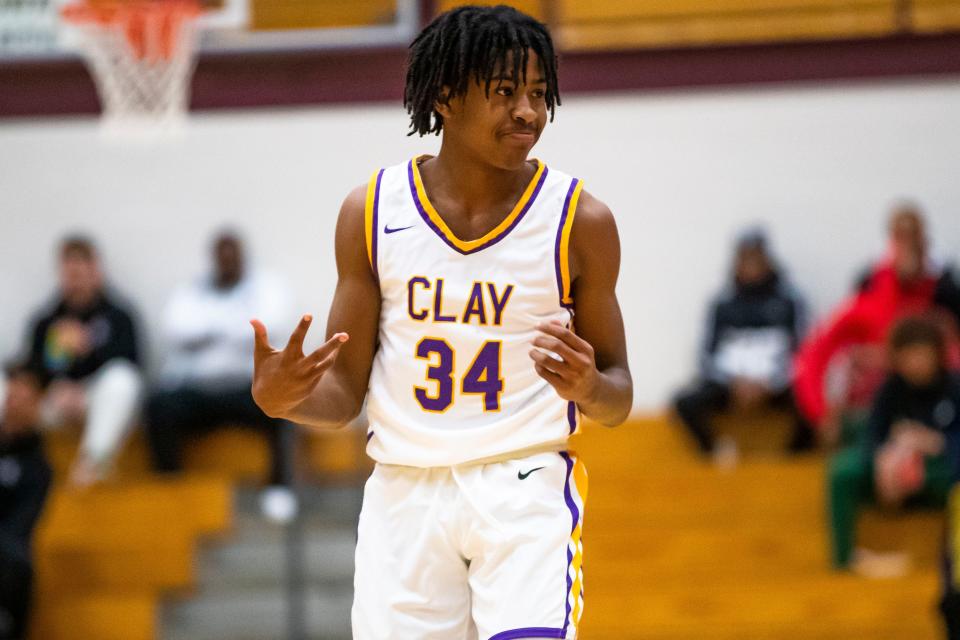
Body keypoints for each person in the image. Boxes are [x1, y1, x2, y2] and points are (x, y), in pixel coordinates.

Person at [249, 6, 632, 638]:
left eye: (539, 94)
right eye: (506, 92)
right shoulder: (371, 212)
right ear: (445, 95)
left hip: (524, 483)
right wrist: (282, 399)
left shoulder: (579, 222)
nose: (530, 113)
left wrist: (590, 386)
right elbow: (343, 392)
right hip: (404, 494)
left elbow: (619, 395)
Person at [145, 231, 296, 522]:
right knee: (158, 407)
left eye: (233, 254)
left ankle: (280, 487)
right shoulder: (191, 291)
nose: (227, 261)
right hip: (198, 391)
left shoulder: (265, 286)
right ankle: (171, 488)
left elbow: (270, 325)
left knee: (285, 405)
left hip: (247, 388)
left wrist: (209, 331)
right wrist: (235, 327)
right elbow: (175, 329)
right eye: (221, 255)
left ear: (242, 257)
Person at [794, 205, 941, 447]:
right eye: (900, 237)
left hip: (930, 415)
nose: (908, 247)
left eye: (913, 237)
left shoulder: (942, 302)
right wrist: (820, 412)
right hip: (871, 415)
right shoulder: (867, 301)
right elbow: (814, 353)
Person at [827, 317, 960, 571]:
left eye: (922, 355)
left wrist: (934, 442)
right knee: (843, 470)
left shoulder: (954, 387)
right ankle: (846, 559)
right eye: (908, 356)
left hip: (942, 469)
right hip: (894, 469)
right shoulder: (891, 389)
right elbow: (873, 434)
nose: (915, 364)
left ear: (937, 354)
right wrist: (884, 461)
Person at [673, 228, 809, 459]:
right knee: (684, 402)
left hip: (775, 385)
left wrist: (770, 383)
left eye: (756, 257)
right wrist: (734, 383)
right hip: (731, 386)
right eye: (745, 258)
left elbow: (804, 353)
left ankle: (791, 460)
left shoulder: (789, 301)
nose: (751, 265)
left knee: (811, 400)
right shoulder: (722, 304)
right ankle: (716, 452)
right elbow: (706, 356)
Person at [22, 236, 142, 487]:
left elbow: (131, 364)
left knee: (122, 381)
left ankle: (93, 464)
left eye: (80, 272)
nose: (75, 281)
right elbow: (31, 371)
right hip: (56, 403)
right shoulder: (46, 321)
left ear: (95, 271)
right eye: (69, 273)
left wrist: (89, 350)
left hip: (97, 400)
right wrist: (56, 387)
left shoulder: (118, 316)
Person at [0, 363, 53, 640]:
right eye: (11, 393)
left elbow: (20, 528)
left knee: (14, 562)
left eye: (24, 396)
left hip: (8, 559)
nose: (14, 401)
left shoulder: (37, 467)